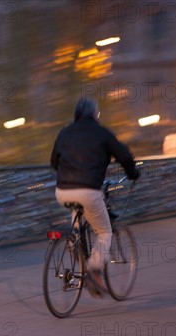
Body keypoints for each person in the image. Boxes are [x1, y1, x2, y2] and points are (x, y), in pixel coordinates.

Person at [50, 97, 140, 297]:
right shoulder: (102, 133)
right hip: (89, 190)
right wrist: (133, 173)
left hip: (62, 190)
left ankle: (74, 246)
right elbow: (124, 156)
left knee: (78, 213)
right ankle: (93, 270)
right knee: (104, 232)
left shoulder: (64, 133)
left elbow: (54, 161)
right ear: (94, 114)